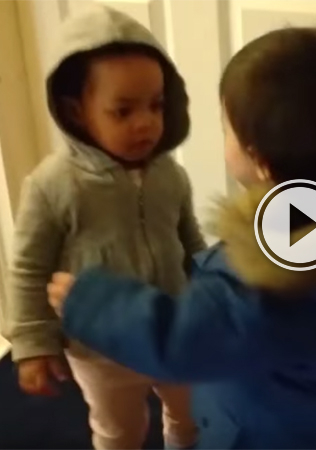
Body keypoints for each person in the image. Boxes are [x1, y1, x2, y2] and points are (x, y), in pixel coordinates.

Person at [48, 20, 316, 449]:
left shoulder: (264, 281)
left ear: (260, 162)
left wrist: (93, 303)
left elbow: (181, 343)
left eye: (226, 128)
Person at [2, 5, 203, 450]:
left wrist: (209, 288)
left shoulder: (171, 176)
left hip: (171, 326)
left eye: (156, 105)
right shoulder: (54, 185)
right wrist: (33, 343)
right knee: (118, 428)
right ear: (77, 112)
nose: (145, 122)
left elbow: (190, 241)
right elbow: (29, 268)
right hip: (100, 348)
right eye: (123, 110)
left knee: (190, 413)